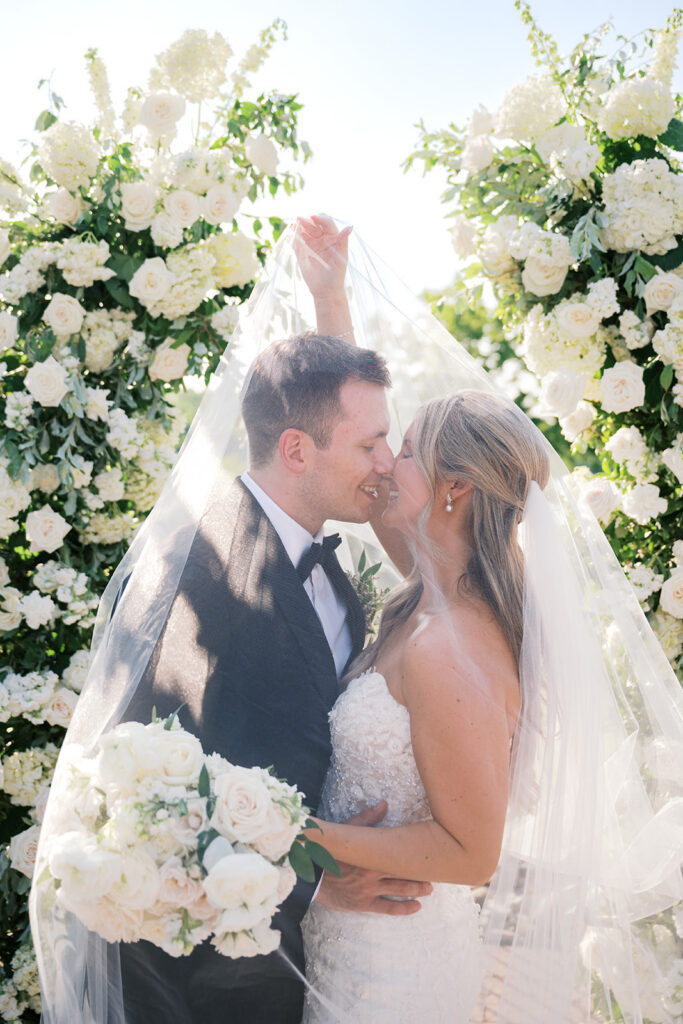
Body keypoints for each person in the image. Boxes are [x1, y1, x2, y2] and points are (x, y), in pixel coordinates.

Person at [292, 216, 683, 1024]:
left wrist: (301, 837)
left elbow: (472, 852)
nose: (382, 460)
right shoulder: (430, 588)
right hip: (356, 938)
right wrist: (330, 299)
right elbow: (361, 451)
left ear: (454, 487)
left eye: (404, 449)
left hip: (391, 972)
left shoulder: (451, 646)